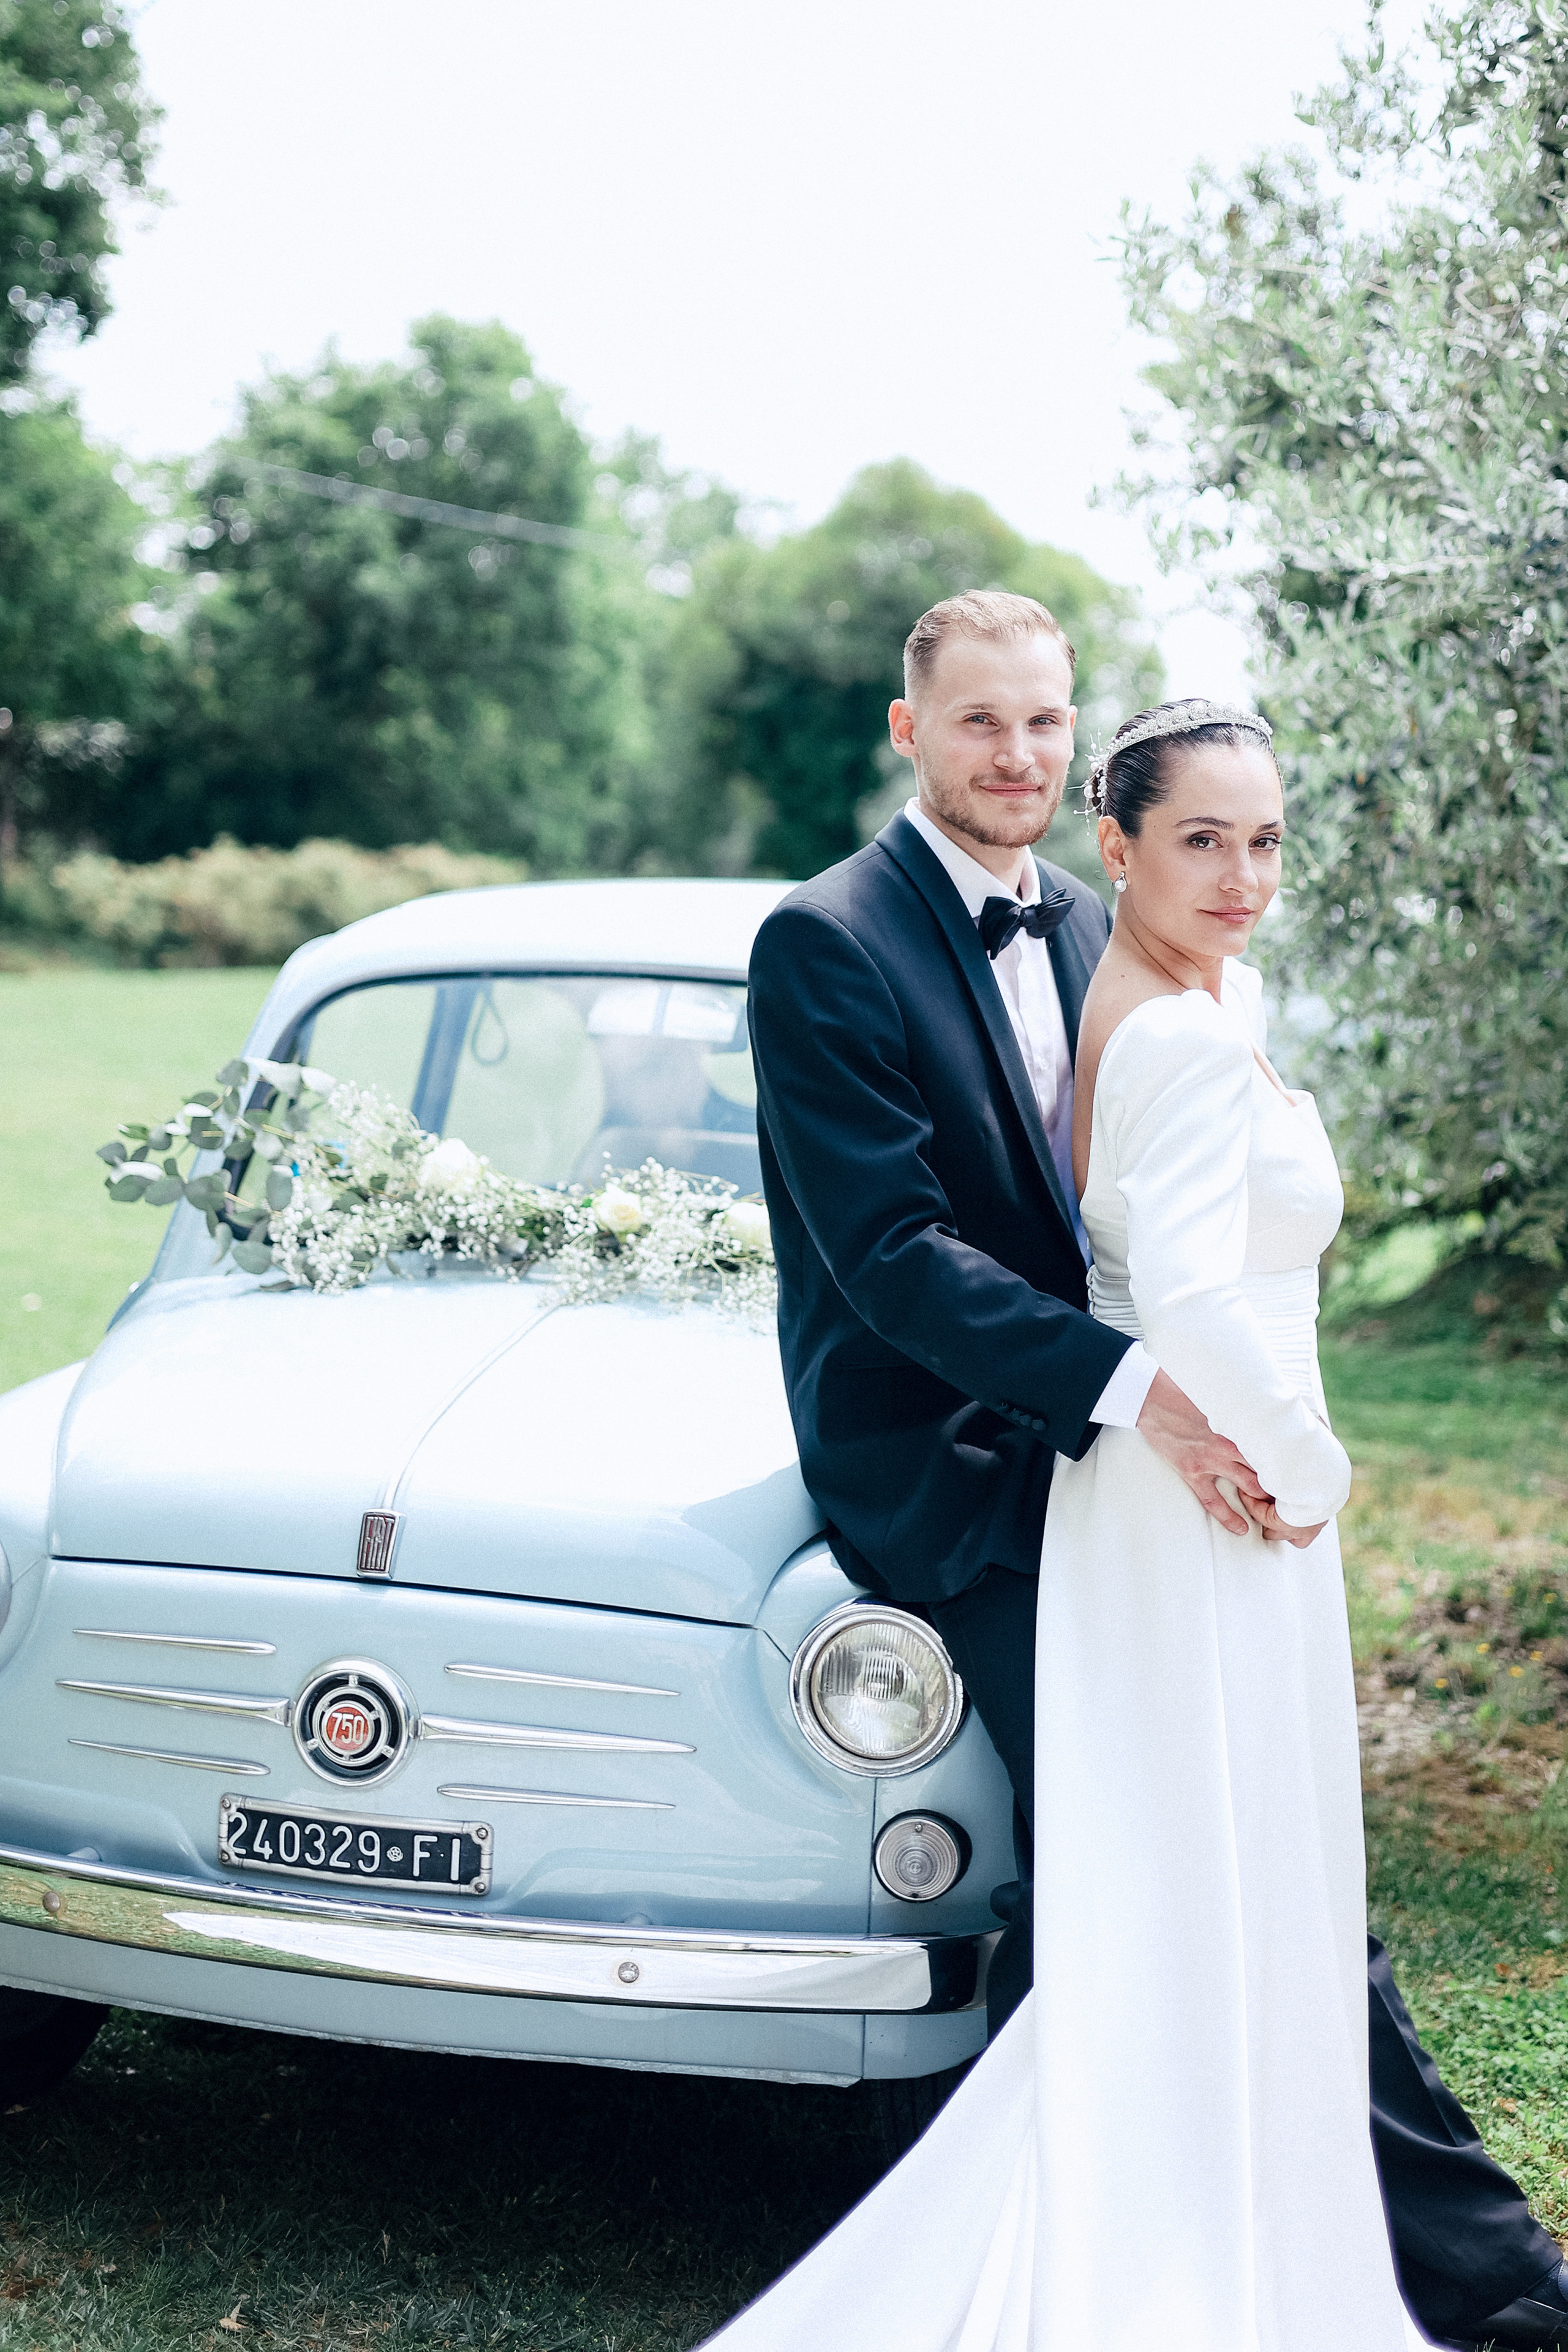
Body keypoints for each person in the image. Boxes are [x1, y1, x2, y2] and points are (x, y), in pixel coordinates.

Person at [717, 594, 1568, 2350]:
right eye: (979, 723)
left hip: (1122, 1454)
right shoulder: (826, 941)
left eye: (1044, 721)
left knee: (1194, 1847)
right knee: (1186, 1848)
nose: (1016, 754)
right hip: (963, 1467)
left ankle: (1167, 2207)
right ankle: (1473, 2276)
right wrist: (1150, 1399)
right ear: (910, 731)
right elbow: (892, 1256)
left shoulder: (1109, 918)